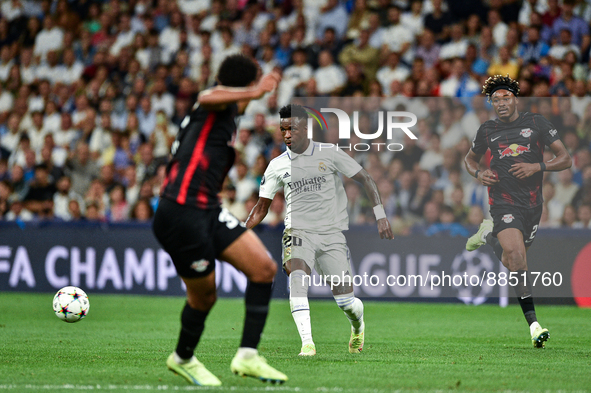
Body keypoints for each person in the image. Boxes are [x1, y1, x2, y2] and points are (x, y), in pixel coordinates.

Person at [152, 54, 287, 386]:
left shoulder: (227, 116)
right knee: (204, 298)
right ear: (243, 87)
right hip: (181, 213)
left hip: (207, 210)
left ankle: (248, 356)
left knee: (263, 269)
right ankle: (183, 358)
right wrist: (255, 91)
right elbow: (207, 95)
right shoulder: (214, 105)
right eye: (254, 83)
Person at [245, 104, 394, 357]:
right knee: (297, 276)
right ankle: (307, 344)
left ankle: (358, 325)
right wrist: (237, 232)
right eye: (283, 130)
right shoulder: (277, 166)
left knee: (346, 302)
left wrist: (380, 215)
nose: (287, 134)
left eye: (291, 128)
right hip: (298, 230)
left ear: (305, 128)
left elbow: (366, 179)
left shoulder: (330, 153)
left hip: (331, 234)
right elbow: (261, 209)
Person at [464, 75, 572, 349]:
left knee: (514, 262)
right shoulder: (487, 130)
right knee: (515, 255)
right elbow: (469, 159)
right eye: (495, 99)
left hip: (533, 205)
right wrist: (479, 173)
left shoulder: (536, 123)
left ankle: (489, 236)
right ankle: (534, 325)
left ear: (515, 99)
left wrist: (538, 167)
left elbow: (565, 158)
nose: (501, 103)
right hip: (503, 201)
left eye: (505, 97)